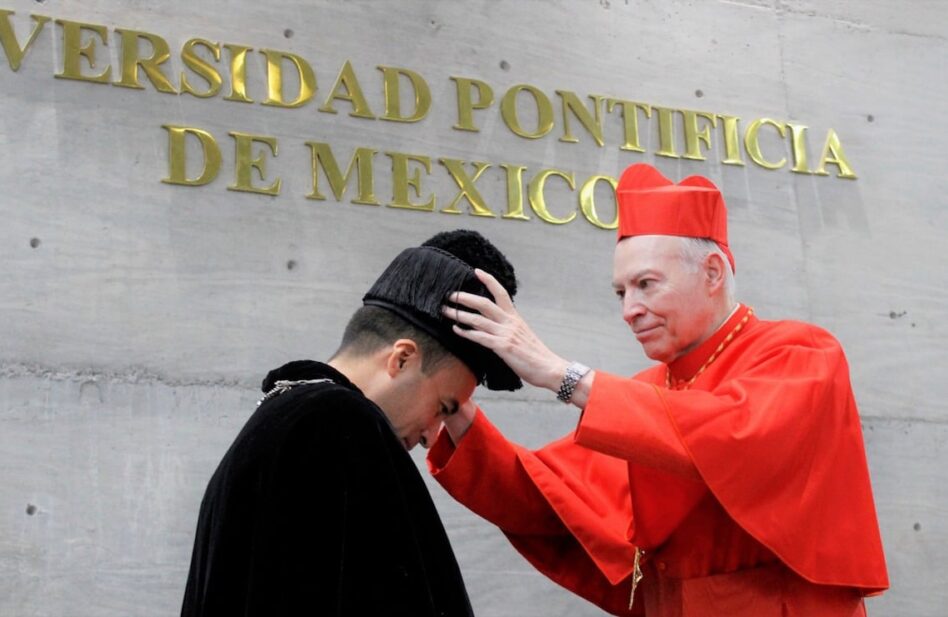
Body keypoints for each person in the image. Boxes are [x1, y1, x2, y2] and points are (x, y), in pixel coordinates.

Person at [429, 164, 889, 616]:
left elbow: (729, 436)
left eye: (646, 284)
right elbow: (550, 496)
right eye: (620, 293)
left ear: (711, 273)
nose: (630, 310)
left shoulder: (802, 351)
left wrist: (559, 374)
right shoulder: (647, 392)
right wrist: (450, 404)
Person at [180, 229, 522, 617]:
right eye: (443, 407)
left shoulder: (284, 417)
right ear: (402, 359)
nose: (431, 436)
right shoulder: (340, 427)